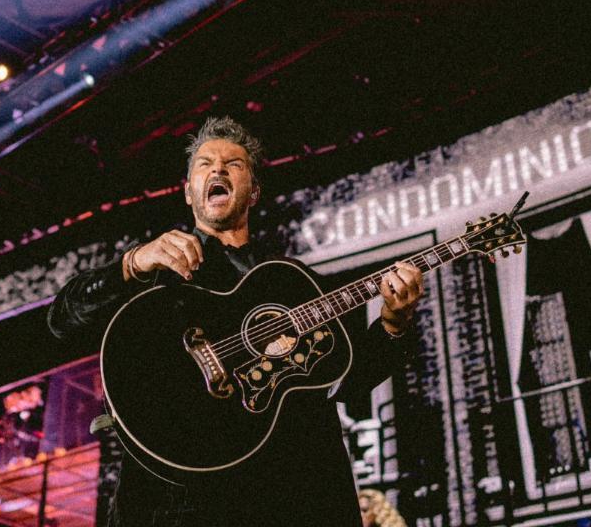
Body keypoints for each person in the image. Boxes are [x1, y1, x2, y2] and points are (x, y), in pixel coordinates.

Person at [48, 116, 424, 526]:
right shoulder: (157, 270)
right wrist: (131, 263)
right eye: (205, 164)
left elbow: (347, 378)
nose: (219, 170)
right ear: (188, 192)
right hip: (182, 503)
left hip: (295, 495)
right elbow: (63, 320)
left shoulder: (292, 281)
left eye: (234, 164)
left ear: (254, 191)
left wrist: (394, 323)